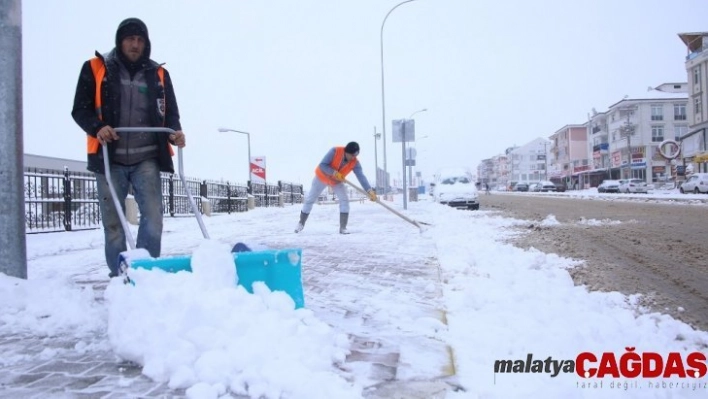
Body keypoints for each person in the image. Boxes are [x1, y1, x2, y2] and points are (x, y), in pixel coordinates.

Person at [71, 18, 186, 277]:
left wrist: (175, 133)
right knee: (113, 223)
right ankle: (120, 275)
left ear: (146, 43)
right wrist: (97, 126)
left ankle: (145, 271)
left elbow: (171, 113)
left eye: (140, 40)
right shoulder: (95, 68)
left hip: (147, 157)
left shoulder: (158, 74)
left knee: (154, 219)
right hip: (108, 157)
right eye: (130, 39)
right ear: (120, 41)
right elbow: (80, 109)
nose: (135, 45)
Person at [295, 142, 377, 234]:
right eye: (352, 155)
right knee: (310, 199)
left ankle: (343, 228)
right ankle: (301, 222)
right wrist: (334, 172)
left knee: (344, 200)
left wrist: (369, 191)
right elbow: (322, 165)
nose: (353, 158)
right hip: (321, 177)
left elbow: (361, 176)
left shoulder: (355, 162)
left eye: (355, 156)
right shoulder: (335, 151)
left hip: (336, 181)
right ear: (347, 152)